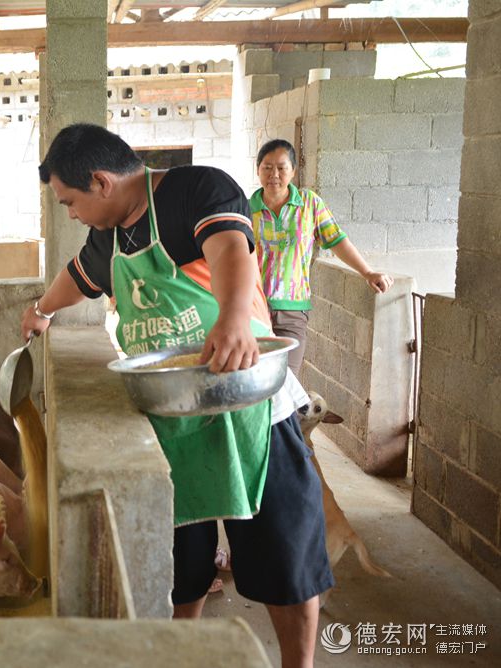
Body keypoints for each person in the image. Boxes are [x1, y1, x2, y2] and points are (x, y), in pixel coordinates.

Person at [22, 124, 332, 668]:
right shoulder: (108, 237)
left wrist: (235, 318)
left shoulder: (196, 191)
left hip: (251, 406)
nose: (70, 214)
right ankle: (178, 655)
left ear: (100, 182)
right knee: (180, 564)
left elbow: (231, 249)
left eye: (70, 202)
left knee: (286, 556)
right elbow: (79, 277)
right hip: (174, 420)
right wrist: (43, 309)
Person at [251, 138, 393, 376]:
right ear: (258, 170)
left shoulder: (309, 204)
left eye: (281, 167)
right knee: (255, 379)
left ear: (293, 171)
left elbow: (336, 240)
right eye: (267, 167)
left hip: (292, 311)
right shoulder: (246, 209)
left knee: (286, 383)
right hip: (253, 310)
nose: (274, 174)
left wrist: (367, 272)